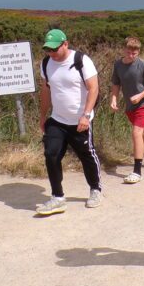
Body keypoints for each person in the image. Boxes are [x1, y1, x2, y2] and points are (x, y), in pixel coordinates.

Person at [36, 28, 103, 215]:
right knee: (51, 154)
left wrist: (86, 115)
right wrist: (43, 116)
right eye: (47, 50)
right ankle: (58, 197)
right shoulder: (46, 63)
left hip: (80, 120)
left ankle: (95, 189)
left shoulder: (81, 61)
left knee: (86, 155)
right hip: (57, 120)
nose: (51, 53)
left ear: (65, 43)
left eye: (54, 49)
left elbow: (93, 88)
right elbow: (46, 90)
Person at [111, 36, 144, 184]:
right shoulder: (118, 65)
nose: (131, 55)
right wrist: (114, 99)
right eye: (129, 52)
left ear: (138, 52)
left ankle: (137, 171)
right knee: (143, 131)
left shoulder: (143, 65)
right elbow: (115, 84)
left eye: (134, 53)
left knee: (136, 132)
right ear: (124, 49)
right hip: (130, 104)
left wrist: (140, 95)